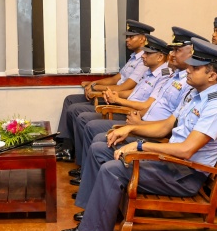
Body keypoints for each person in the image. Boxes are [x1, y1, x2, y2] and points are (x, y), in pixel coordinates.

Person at [58, 38, 217, 231]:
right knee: (102, 148)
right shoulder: (195, 94)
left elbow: (186, 150)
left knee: (113, 169)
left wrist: (140, 146)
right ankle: (90, 222)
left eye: (195, 68)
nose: (188, 70)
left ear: (212, 75)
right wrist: (131, 129)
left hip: (185, 174)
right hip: (171, 164)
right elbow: (164, 128)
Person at [69, 27, 202, 202]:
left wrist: (138, 136)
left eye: (177, 50)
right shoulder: (175, 78)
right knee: (100, 141)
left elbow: (171, 133)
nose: (172, 55)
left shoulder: (200, 94)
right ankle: (90, 188)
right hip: (146, 126)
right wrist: (134, 123)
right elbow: (161, 116)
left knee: (100, 140)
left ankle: (91, 191)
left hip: (168, 151)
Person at [69, 35, 171, 177]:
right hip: (133, 115)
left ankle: (87, 173)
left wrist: (117, 100)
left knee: (90, 125)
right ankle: (87, 172)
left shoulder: (165, 76)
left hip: (136, 117)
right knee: (88, 123)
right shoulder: (149, 71)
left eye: (147, 53)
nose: (143, 55)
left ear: (159, 57)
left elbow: (146, 106)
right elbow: (132, 92)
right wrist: (113, 95)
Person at [55, 19, 153, 161]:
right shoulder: (134, 58)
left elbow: (124, 87)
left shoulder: (144, 63)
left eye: (131, 37)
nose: (127, 40)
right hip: (115, 96)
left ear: (143, 39)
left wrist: (96, 88)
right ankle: (66, 146)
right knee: (70, 100)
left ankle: (79, 159)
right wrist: (95, 83)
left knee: (77, 111)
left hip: (120, 102)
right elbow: (116, 79)